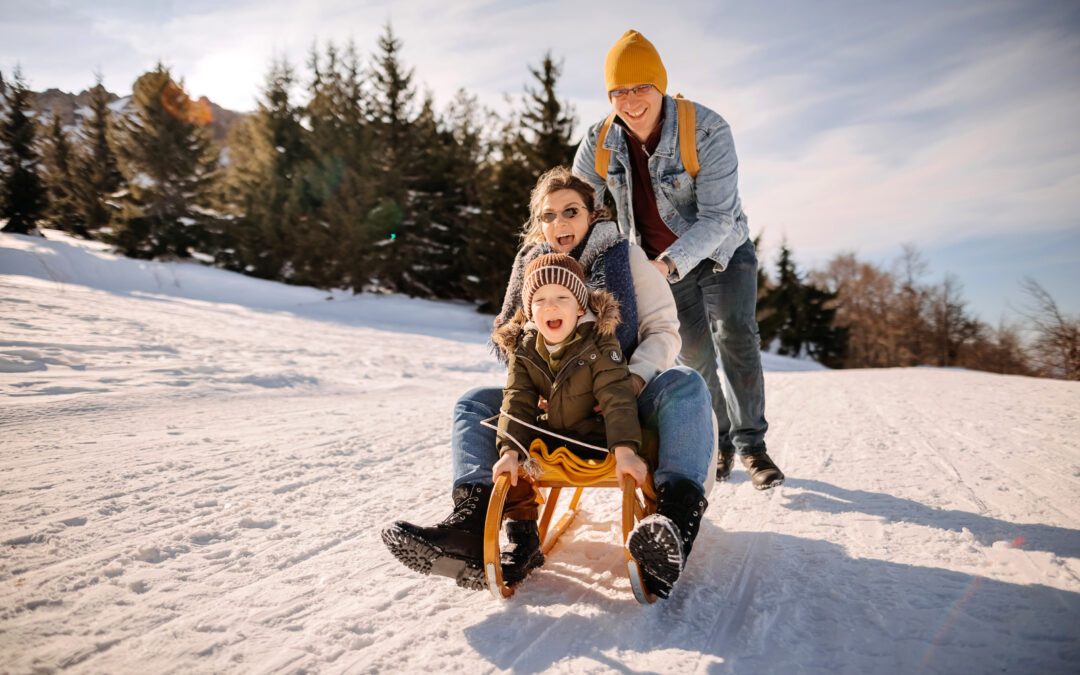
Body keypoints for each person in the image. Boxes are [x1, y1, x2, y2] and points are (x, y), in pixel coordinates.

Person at [382, 167, 715, 599]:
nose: (558, 224)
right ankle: (470, 522)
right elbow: (519, 351)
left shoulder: (624, 257)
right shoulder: (531, 269)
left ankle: (672, 523)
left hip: (625, 394)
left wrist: (633, 379)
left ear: (593, 215)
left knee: (686, 382)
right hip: (555, 401)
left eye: (570, 212)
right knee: (474, 403)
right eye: (547, 215)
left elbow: (665, 330)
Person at [572, 29, 785, 490]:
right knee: (694, 356)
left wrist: (665, 265)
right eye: (619, 91)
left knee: (735, 339)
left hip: (722, 252)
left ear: (660, 85)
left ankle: (753, 445)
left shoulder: (706, 129)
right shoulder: (601, 141)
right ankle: (722, 442)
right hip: (656, 263)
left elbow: (719, 217)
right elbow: (577, 205)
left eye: (641, 88)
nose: (630, 101)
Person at [489, 252, 646, 585]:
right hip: (554, 433)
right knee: (508, 450)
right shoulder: (525, 347)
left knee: (650, 445)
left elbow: (616, 396)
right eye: (540, 300)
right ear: (530, 310)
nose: (551, 307)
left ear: (579, 306)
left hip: (596, 436)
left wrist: (625, 451)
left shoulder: (600, 341)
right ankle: (522, 534)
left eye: (562, 297)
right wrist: (509, 452)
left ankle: (656, 531)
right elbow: (518, 400)